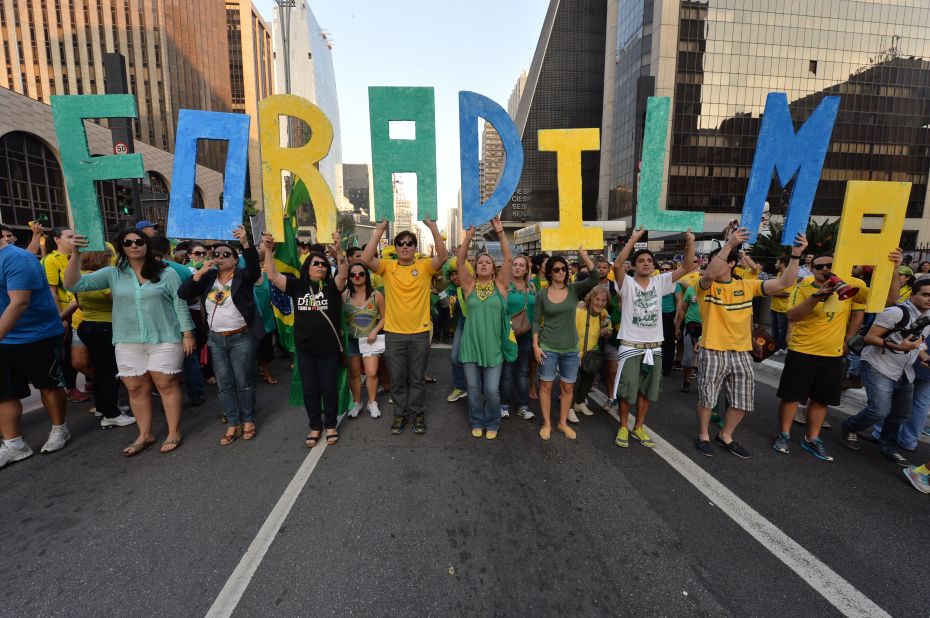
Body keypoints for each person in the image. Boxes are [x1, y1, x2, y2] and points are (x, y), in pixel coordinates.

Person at [64, 228, 196, 456]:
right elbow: (74, 285)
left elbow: (179, 303)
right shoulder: (112, 273)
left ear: (146, 245)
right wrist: (75, 254)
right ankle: (145, 434)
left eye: (139, 241)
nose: (134, 245)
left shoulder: (167, 273)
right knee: (135, 388)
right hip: (127, 340)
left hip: (165, 337)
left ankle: (173, 431)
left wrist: (188, 334)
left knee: (166, 384)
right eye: (128, 242)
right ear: (121, 247)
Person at [771, 251, 899, 461]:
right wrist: (816, 297)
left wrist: (893, 270)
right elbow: (792, 315)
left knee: (821, 400)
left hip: (832, 354)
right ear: (812, 270)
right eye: (819, 266)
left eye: (829, 265)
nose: (824, 269)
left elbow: (889, 300)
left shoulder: (852, 284)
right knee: (791, 396)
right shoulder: (803, 286)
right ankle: (784, 435)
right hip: (802, 350)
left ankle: (812, 439)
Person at [693, 227, 805, 458]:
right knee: (707, 397)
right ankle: (703, 434)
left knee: (742, 400)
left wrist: (795, 255)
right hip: (713, 349)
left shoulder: (747, 286)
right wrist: (729, 244)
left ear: (732, 264)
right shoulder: (706, 286)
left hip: (742, 352)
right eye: (715, 259)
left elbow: (784, 283)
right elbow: (709, 275)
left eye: (722, 259)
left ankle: (725, 435)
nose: (715, 263)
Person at [360, 218, 448, 436]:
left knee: (417, 379)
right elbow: (365, 258)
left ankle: (417, 414)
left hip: (419, 333)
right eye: (401, 243)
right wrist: (380, 230)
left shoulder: (425, 266)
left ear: (415, 247)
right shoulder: (388, 268)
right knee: (398, 379)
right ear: (397, 247)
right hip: (394, 334)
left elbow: (444, 257)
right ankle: (400, 414)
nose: (405, 246)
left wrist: (434, 228)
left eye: (410, 243)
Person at [610, 228, 696, 448]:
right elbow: (617, 265)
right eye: (641, 261)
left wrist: (690, 241)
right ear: (635, 265)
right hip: (630, 345)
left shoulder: (661, 282)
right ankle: (623, 426)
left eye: (649, 260)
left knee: (647, 391)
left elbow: (688, 266)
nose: (646, 263)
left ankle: (638, 427)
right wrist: (634, 239)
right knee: (627, 390)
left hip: (654, 347)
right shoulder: (626, 283)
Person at [179, 226, 263, 445]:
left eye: (227, 254)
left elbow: (254, 269)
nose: (221, 257)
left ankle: (248, 419)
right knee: (224, 383)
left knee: (243, 381)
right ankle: (233, 422)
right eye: (216, 254)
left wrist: (245, 242)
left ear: (236, 259)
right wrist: (199, 272)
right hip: (216, 340)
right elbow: (183, 294)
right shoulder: (208, 279)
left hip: (241, 338)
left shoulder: (243, 277)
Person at [264, 232, 347, 447]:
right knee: (310, 389)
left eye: (323, 264)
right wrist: (268, 250)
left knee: (329, 387)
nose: (320, 266)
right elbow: (272, 275)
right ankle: (315, 426)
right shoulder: (297, 286)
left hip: (328, 349)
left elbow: (343, 275)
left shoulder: (332, 288)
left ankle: (330, 425)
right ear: (307, 267)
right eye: (315, 263)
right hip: (305, 350)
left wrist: (339, 252)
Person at [0, 223, 70, 468]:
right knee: (4, 392)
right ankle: (14, 444)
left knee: (48, 385)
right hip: (4, 339)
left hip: (36, 335)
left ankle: (59, 428)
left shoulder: (17, 259)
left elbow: (19, 303)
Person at [840, 278, 930, 466]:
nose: (929, 299)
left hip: (904, 370)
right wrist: (898, 346)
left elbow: (917, 341)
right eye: (925, 294)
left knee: (901, 413)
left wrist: (923, 356)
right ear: (913, 295)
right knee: (879, 410)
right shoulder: (895, 312)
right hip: (878, 364)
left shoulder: (928, 316)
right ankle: (849, 426)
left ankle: (887, 445)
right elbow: (870, 338)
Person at [532, 248, 597, 441]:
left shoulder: (574, 290)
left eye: (563, 269)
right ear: (549, 272)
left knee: (568, 388)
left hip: (570, 348)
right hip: (548, 347)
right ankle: (547, 423)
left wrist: (584, 255)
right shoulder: (541, 295)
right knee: (545, 386)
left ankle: (562, 423)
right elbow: (536, 320)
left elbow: (594, 278)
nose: (561, 272)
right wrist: (536, 345)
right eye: (556, 269)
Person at [457, 220, 512, 439]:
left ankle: (492, 422)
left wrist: (500, 233)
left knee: (490, 390)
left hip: (494, 347)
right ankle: (476, 421)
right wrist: (468, 236)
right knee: (473, 389)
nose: (483, 264)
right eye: (480, 262)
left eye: (487, 262)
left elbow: (509, 258)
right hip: (470, 346)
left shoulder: (501, 287)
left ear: (493, 267)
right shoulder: (469, 286)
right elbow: (460, 262)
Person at [75, 247, 136, 428]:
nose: (112, 260)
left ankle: (104, 407)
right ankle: (111, 413)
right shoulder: (102, 279)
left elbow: (79, 303)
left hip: (88, 325)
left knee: (101, 371)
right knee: (109, 372)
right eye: (109, 257)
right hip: (104, 327)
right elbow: (120, 301)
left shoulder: (80, 275)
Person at [151, 235, 206, 408]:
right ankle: (196, 393)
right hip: (187, 315)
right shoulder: (184, 270)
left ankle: (165, 392)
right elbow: (196, 295)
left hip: (160, 320)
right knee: (190, 358)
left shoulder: (143, 271)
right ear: (168, 251)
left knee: (161, 358)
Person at [44, 227, 87, 403]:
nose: (72, 240)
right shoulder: (50, 260)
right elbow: (51, 291)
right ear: (57, 239)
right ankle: (70, 387)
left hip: (81, 311)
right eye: (69, 237)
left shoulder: (77, 256)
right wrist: (60, 318)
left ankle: (90, 383)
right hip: (65, 313)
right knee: (68, 355)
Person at [343, 262, 385, 419]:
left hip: (370, 340)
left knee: (372, 372)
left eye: (361, 274)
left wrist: (375, 331)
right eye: (353, 274)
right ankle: (357, 402)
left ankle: (372, 403)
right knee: (354, 374)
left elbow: (384, 317)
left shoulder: (376, 295)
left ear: (366, 276)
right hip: (352, 340)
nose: (357, 277)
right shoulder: (345, 295)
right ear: (349, 277)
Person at [500, 254, 536, 421]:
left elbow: (537, 311)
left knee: (522, 372)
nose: (517, 267)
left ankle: (523, 405)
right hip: (508, 335)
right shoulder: (504, 286)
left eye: (521, 265)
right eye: (515, 264)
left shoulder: (532, 287)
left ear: (526, 269)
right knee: (506, 372)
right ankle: (503, 405)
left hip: (527, 335)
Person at [571, 286, 611, 420]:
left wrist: (607, 331)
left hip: (591, 354)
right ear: (590, 299)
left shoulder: (604, 314)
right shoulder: (580, 311)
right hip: (575, 351)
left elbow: (608, 328)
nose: (600, 303)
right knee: (573, 382)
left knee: (587, 381)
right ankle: (569, 407)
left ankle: (579, 403)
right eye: (597, 299)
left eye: (603, 300)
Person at [444, 261, 469, 404]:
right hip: (462, 323)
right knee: (455, 357)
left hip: (478, 325)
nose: (454, 277)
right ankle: (460, 387)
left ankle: (483, 390)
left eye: (457, 273)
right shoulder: (453, 290)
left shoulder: (475, 285)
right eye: (452, 274)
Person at [675, 274, 702, 393]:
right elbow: (683, 309)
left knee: (706, 359)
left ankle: (706, 386)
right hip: (691, 328)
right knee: (688, 358)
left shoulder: (716, 290)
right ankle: (686, 380)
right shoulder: (691, 290)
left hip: (708, 329)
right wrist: (677, 327)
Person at [659, 262, 684, 377]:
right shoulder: (657, 282)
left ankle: (666, 368)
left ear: (672, 270)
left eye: (667, 269)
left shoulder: (675, 284)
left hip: (669, 315)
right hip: (657, 316)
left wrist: (676, 318)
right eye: (662, 269)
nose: (664, 271)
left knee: (668, 343)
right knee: (657, 342)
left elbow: (679, 302)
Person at [768, 256, 795, 353]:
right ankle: (774, 346)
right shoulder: (779, 274)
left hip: (783, 308)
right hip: (774, 306)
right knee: (774, 329)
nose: (775, 264)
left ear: (782, 264)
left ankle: (782, 348)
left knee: (782, 329)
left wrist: (771, 293)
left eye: (777, 262)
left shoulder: (790, 275)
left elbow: (786, 293)